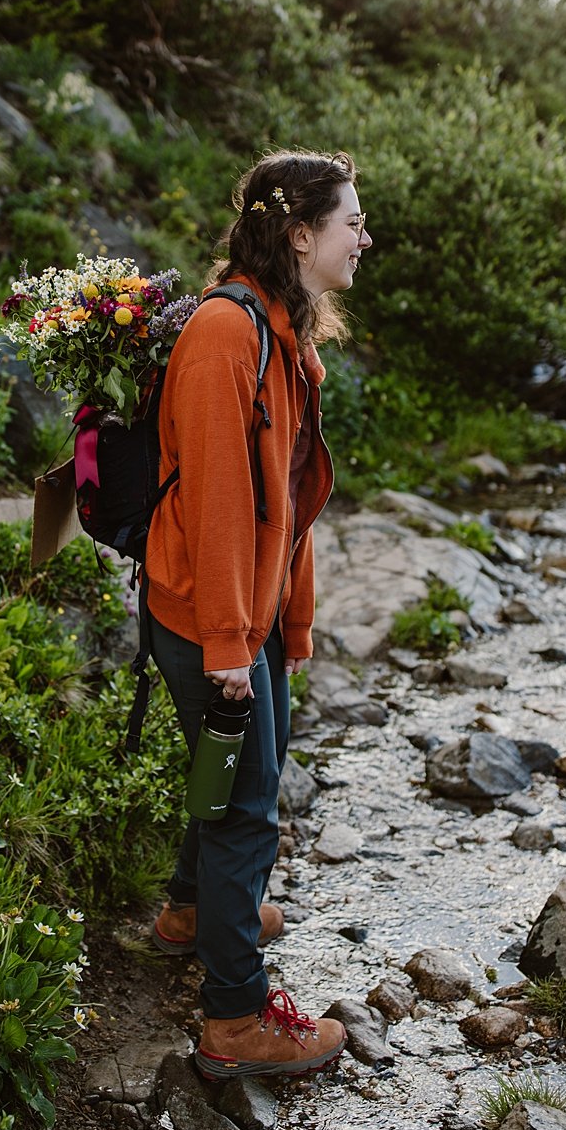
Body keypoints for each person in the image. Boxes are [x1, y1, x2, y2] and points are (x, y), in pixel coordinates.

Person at [143, 148, 372, 1080]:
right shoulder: (224, 335)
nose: (364, 234)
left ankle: (190, 911)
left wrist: (288, 627)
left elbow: (289, 498)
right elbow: (221, 506)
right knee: (247, 806)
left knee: (221, 774)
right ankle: (234, 1013)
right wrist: (235, 646)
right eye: (350, 219)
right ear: (298, 234)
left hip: (246, 617)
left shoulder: (285, 331)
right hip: (209, 617)